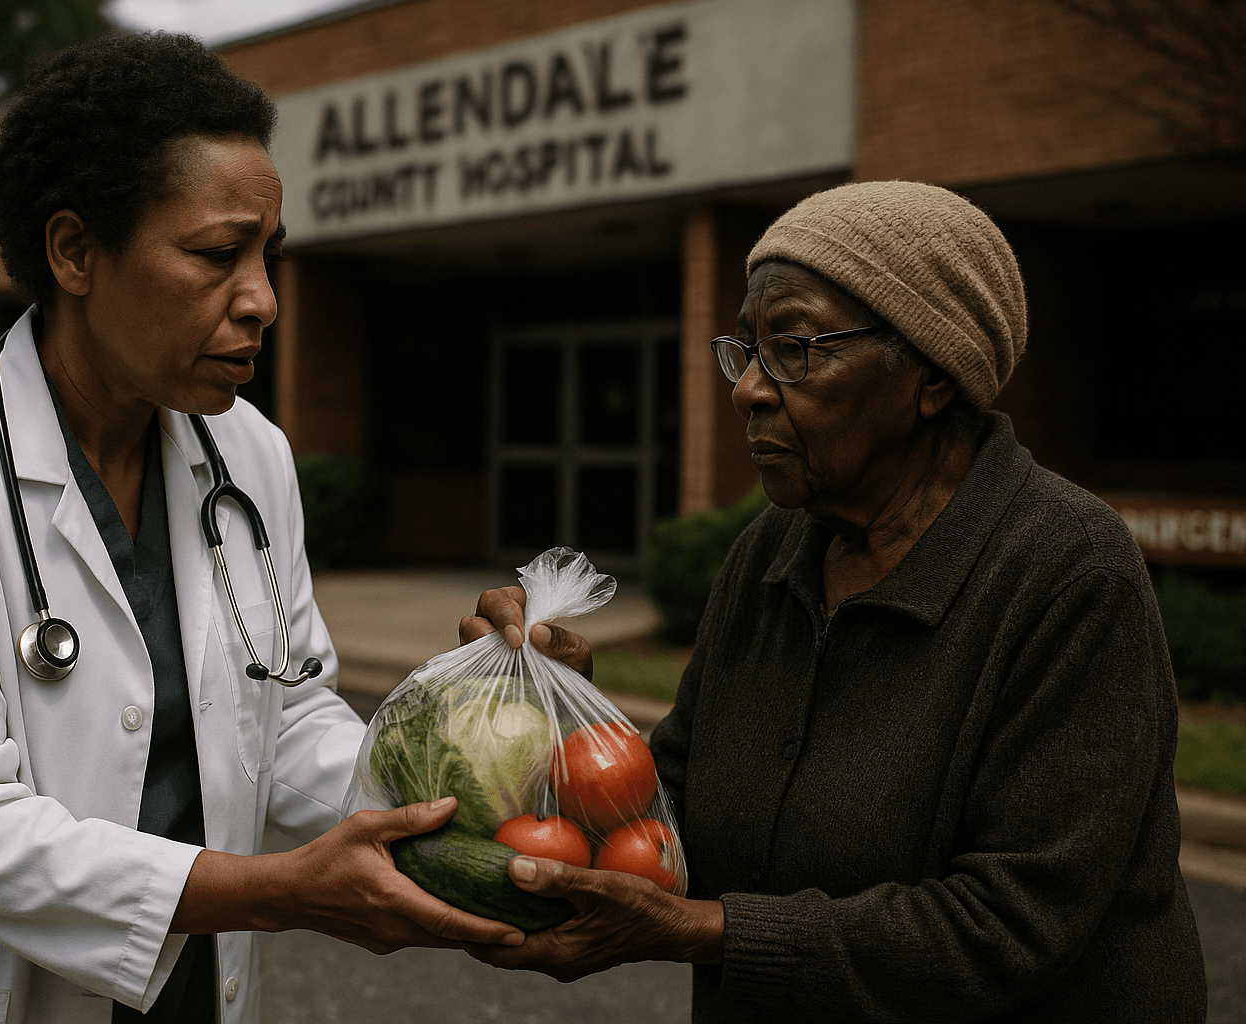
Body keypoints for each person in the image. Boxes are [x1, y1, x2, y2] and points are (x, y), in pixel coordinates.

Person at [0, 33, 522, 1024]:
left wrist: (473, 752)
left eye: (269, 258)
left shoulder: (251, 456)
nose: (264, 301)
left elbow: (287, 726)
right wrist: (280, 891)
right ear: (75, 251)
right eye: (216, 255)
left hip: (182, 992)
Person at [461, 181, 1208, 1021]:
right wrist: (565, 713)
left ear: (930, 374)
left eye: (796, 346)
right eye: (745, 350)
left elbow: (1010, 924)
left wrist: (704, 932)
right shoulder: (774, 550)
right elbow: (678, 810)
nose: (748, 388)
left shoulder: (1068, 571)